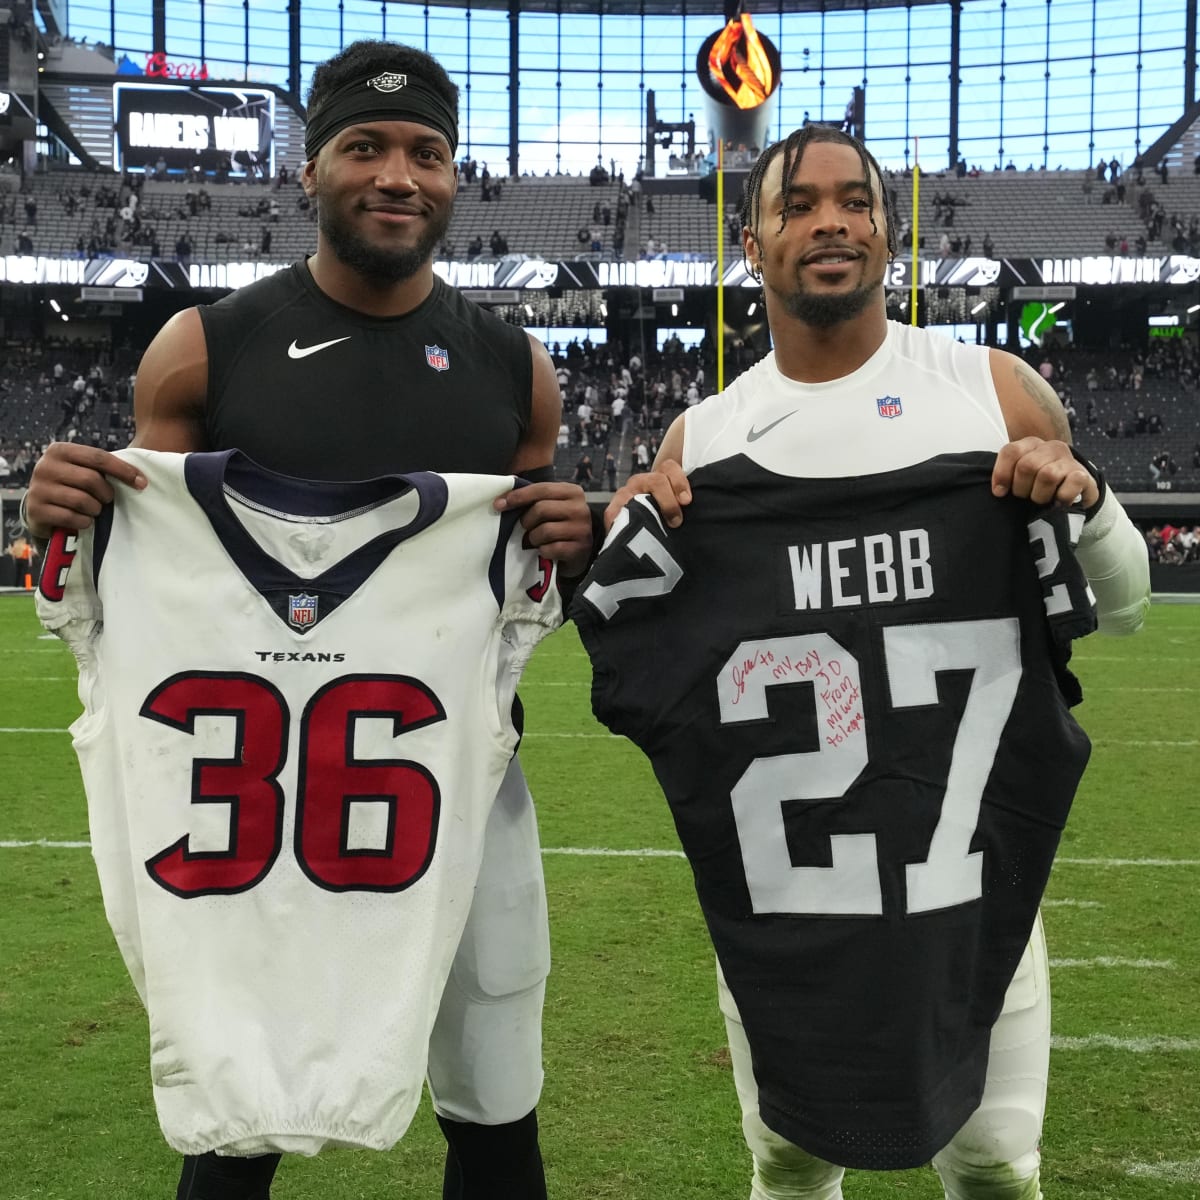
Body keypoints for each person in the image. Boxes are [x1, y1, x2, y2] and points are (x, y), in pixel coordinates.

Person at [22, 39, 593, 1200]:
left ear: (454, 175)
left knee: (496, 1102)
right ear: (310, 169)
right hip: (248, 797)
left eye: (426, 152)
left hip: (459, 785)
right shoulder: (202, 349)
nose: (398, 175)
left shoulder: (516, 369)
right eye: (365, 147)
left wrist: (568, 546)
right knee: (236, 1119)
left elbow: (529, 591)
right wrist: (64, 515)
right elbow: (140, 578)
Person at [589, 125, 1150, 1200]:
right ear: (750, 245)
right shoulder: (702, 448)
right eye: (796, 204)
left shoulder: (994, 394)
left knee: (995, 1164)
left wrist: (1084, 496)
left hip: (970, 885)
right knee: (790, 1163)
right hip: (789, 900)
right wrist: (635, 535)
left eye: (855, 200)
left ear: (891, 232)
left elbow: (1120, 613)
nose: (830, 221)